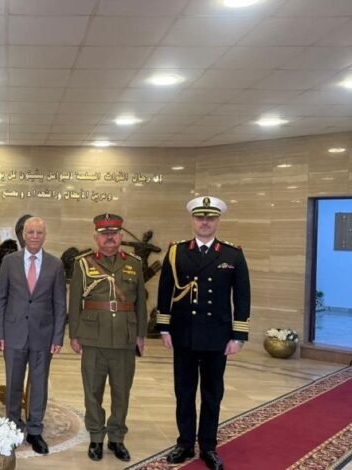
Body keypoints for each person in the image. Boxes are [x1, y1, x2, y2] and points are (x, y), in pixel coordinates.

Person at [157, 196, 251, 470]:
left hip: (216, 337)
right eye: (200, 217)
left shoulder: (232, 254)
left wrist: (238, 336)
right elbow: (165, 291)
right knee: (184, 392)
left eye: (210, 218)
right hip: (184, 334)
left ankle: (208, 446)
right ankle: (185, 443)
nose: (205, 222)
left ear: (218, 221)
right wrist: (164, 328)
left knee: (212, 394)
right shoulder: (176, 252)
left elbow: (242, 297)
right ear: (193, 220)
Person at [68, 213, 147, 463]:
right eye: (104, 234)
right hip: (93, 337)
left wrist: (141, 334)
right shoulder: (83, 264)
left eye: (114, 233)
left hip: (124, 337)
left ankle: (116, 437)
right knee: (92, 390)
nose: (109, 238)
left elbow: (140, 303)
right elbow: (75, 302)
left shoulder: (134, 263)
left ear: (121, 236)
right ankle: (95, 437)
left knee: (122, 391)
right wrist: (74, 334)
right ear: (96, 237)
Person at [0, 216, 66, 455]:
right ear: (23, 235)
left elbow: (60, 304)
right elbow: (1, 299)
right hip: (13, 333)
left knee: (39, 384)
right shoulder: (9, 262)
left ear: (45, 236)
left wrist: (57, 337)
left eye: (39, 232)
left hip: (43, 335)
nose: (35, 236)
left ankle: (35, 430)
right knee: (13, 382)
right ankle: (13, 426)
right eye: (30, 232)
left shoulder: (55, 264)